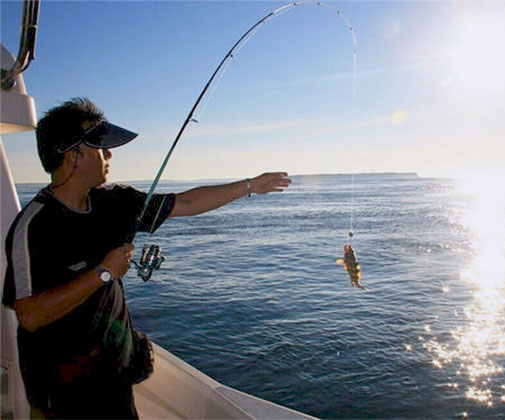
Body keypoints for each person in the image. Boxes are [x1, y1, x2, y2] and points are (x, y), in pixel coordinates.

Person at [2, 97, 291, 419]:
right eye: (100, 146)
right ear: (73, 156)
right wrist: (103, 272)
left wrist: (250, 186)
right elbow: (29, 314)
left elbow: (187, 203)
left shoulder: (115, 203)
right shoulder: (35, 224)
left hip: (114, 379)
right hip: (61, 395)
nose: (109, 155)